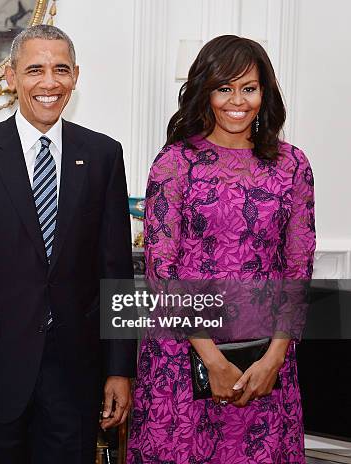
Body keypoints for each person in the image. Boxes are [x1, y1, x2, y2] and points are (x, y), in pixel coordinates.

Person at [0, 25, 136, 464]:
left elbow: (116, 270)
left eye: (60, 69)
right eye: (35, 70)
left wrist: (120, 368)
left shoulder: (103, 155)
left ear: (76, 75)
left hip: (75, 374)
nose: (49, 82)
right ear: (11, 77)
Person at [128, 35, 315, 463]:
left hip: (265, 360)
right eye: (224, 87)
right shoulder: (175, 162)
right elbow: (163, 268)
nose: (237, 100)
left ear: (264, 93)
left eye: (248, 88)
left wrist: (273, 358)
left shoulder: (292, 165)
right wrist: (211, 358)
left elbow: (298, 268)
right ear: (205, 92)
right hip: (181, 357)